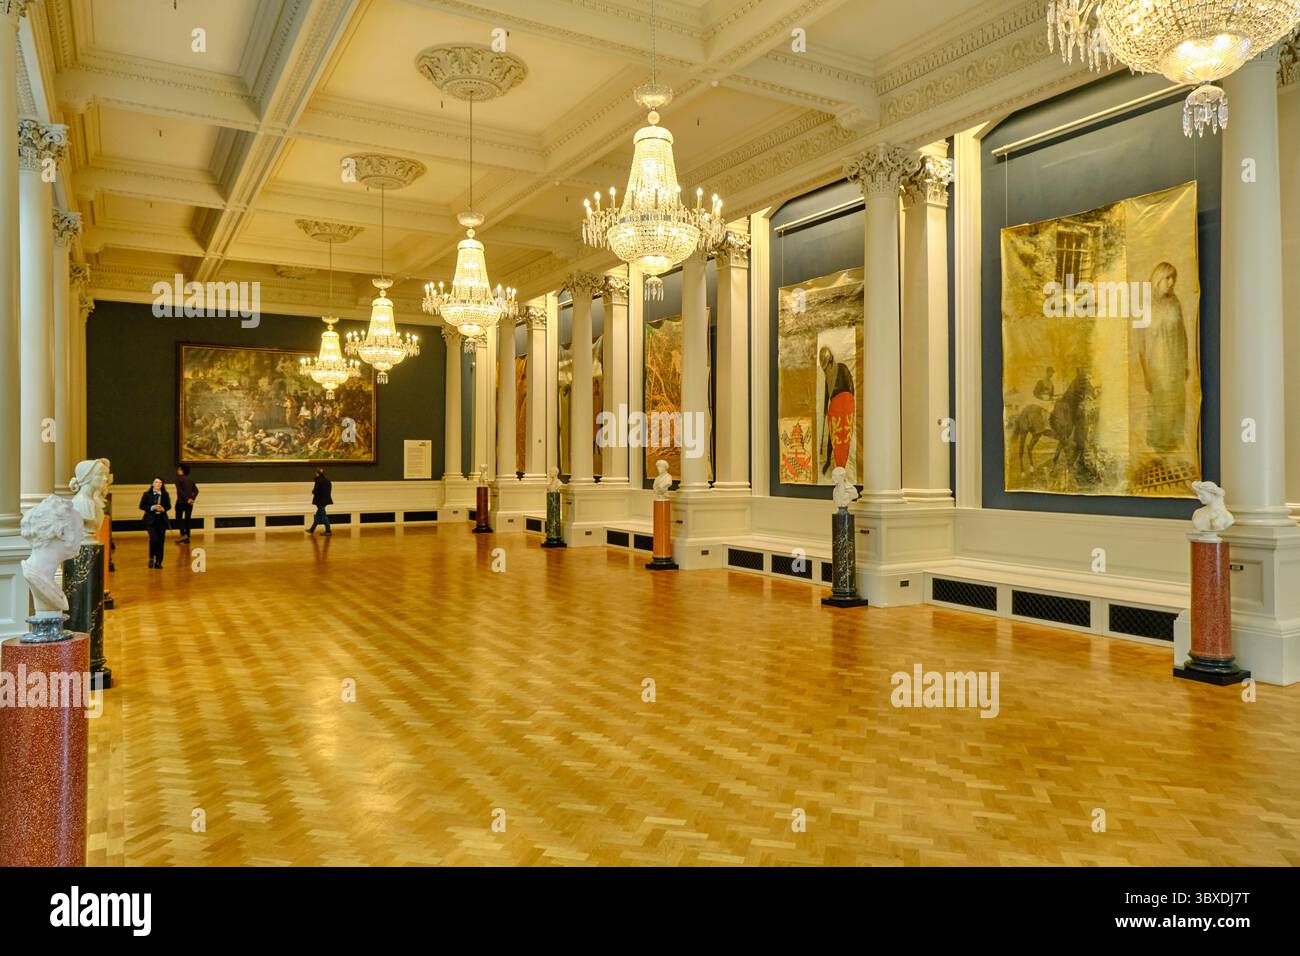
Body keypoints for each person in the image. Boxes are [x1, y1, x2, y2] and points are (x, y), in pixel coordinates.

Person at [139, 477, 171, 569]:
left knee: (161, 541)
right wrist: (152, 507)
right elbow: (142, 506)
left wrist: (163, 508)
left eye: (160, 482)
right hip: (150, 520)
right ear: (152, 484)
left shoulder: (165, 494)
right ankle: (151, 557)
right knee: (154, 539)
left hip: (161, 520)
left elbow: (168, 506)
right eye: (156, 482)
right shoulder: (147, 494)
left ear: (162, 484)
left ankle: (159, 562)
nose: (158, 484)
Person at [174, 464, 199, 543]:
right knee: (188, 520)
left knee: (178, 519)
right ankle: (187, 537)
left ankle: (183, 535)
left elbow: (180, 491)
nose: (177, 471)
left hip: (181, 502)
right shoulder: (191, 480)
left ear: (182, 471)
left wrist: (187, 499)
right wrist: (191, 499)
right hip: (189, 503)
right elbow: (196, 491)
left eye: (179, 469)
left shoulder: (178, 479)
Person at [307, 468, 332, 535]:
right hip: (326, 500)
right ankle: (312, 529)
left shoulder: (318, 480)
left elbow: (315, 491)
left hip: (320, 501)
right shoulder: (327, 481)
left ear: (317, 473)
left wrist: (313, 492)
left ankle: (328, 530)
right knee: (318, 515)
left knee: (323, 515)